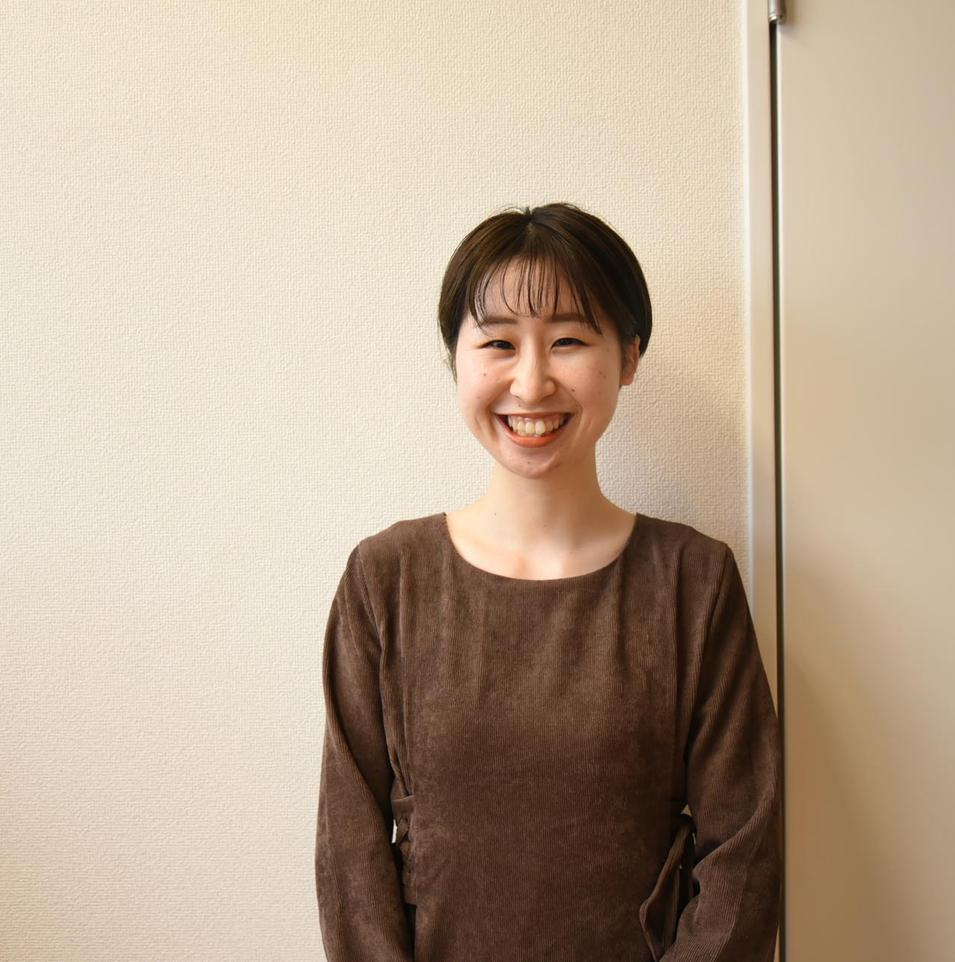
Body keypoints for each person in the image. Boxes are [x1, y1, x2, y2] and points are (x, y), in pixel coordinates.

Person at [314, 202, 782, 961]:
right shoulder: (387, 579)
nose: (531, 384)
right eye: (498, 343)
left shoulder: (693, 581)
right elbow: (350, 848)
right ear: (457, 361)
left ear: (629, 357)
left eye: (568, 340)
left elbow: (745, 852)